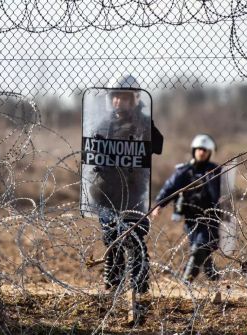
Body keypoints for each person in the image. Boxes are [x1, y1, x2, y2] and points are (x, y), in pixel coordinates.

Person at [88, 74, 163, 325]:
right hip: (106, 193)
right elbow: (90, 155)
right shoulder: (102, 125)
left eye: (125, 97)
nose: (120, 101)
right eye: (116, 97)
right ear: (111, 100)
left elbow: (159, 145)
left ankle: (140, 288)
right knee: (112, 241)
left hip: (134, 195)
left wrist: (143, 131)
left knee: (135, 239)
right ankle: (113, 286)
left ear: (135, 99)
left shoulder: (143, 122)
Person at [151, 134, 221, 283]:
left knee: (199, 249)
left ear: (209, 152)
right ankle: (217, 281)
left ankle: (185, 282)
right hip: (191, 219)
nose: (201, 152)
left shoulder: (215, 171)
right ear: (194, 150)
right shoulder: (184, 171)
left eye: (205, 150)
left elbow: (222, 195)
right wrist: (159, 205)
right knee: (203, 252)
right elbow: (170, 187)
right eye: (199, 149)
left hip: (209, 219)